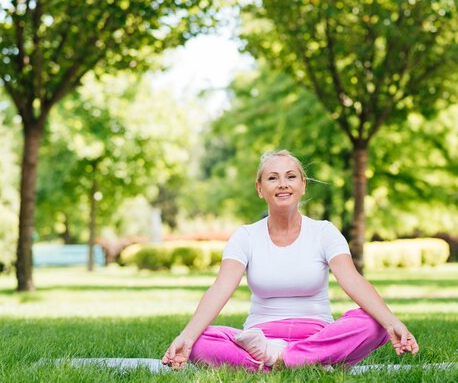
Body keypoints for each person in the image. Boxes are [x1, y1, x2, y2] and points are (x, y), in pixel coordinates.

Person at [162, 150, 419, 371]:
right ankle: (312, 362)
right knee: (200, 339)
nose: (282, 183)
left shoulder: (324, 232)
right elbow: (220, 288)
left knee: (373, 322)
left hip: (318, 335)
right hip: (260, 338)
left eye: (290, 176)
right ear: (260, 188)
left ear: (303, 185)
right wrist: (187, 336)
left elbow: (352, 280)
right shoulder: (246, 236)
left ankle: (279, 361)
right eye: (272, 178)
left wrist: (392, 322)